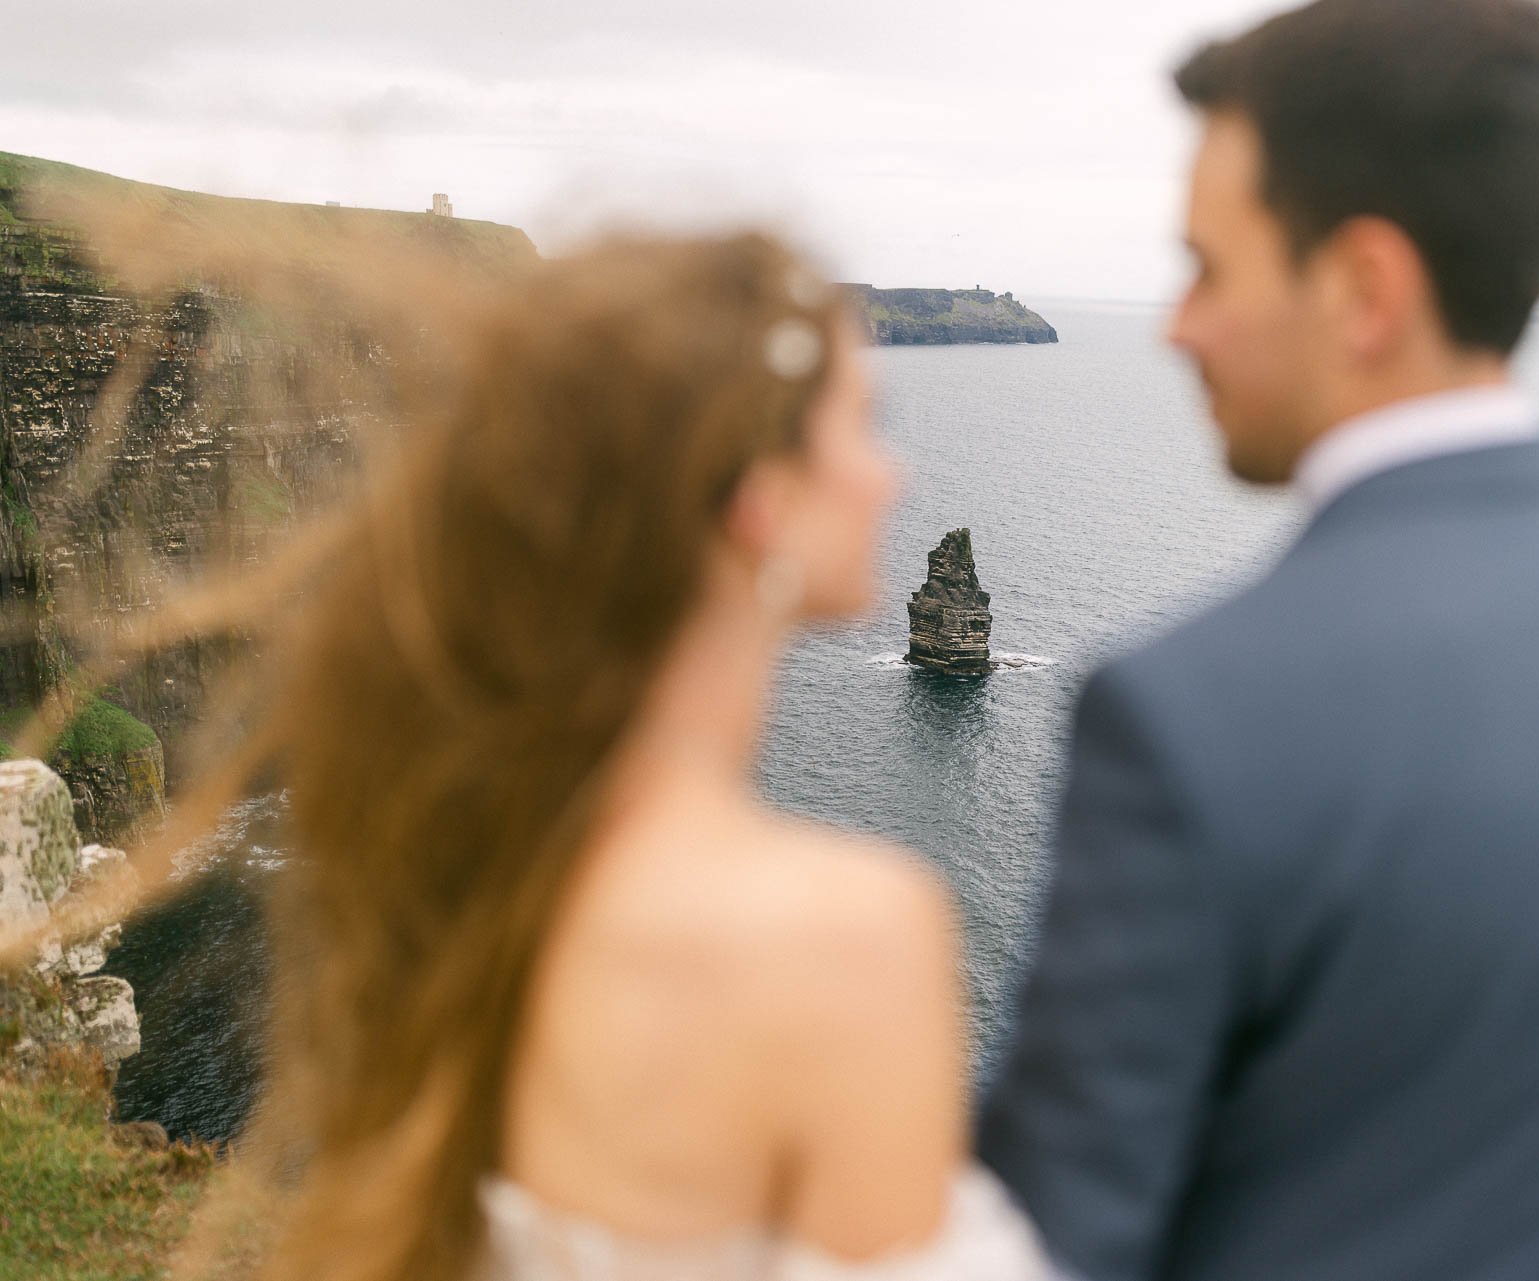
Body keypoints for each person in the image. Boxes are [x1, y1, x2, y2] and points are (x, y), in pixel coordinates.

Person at [977, 3, 1539, 1281]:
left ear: (1365, 289)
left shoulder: (1186, 709)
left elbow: (1054, 1238)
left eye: (1211, 268)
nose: (1178, 325)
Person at [155, 234, 1057, 1281]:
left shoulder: (456, 874)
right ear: (758, 499)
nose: (891, 472)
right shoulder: (851, 930)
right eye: (865, 425)